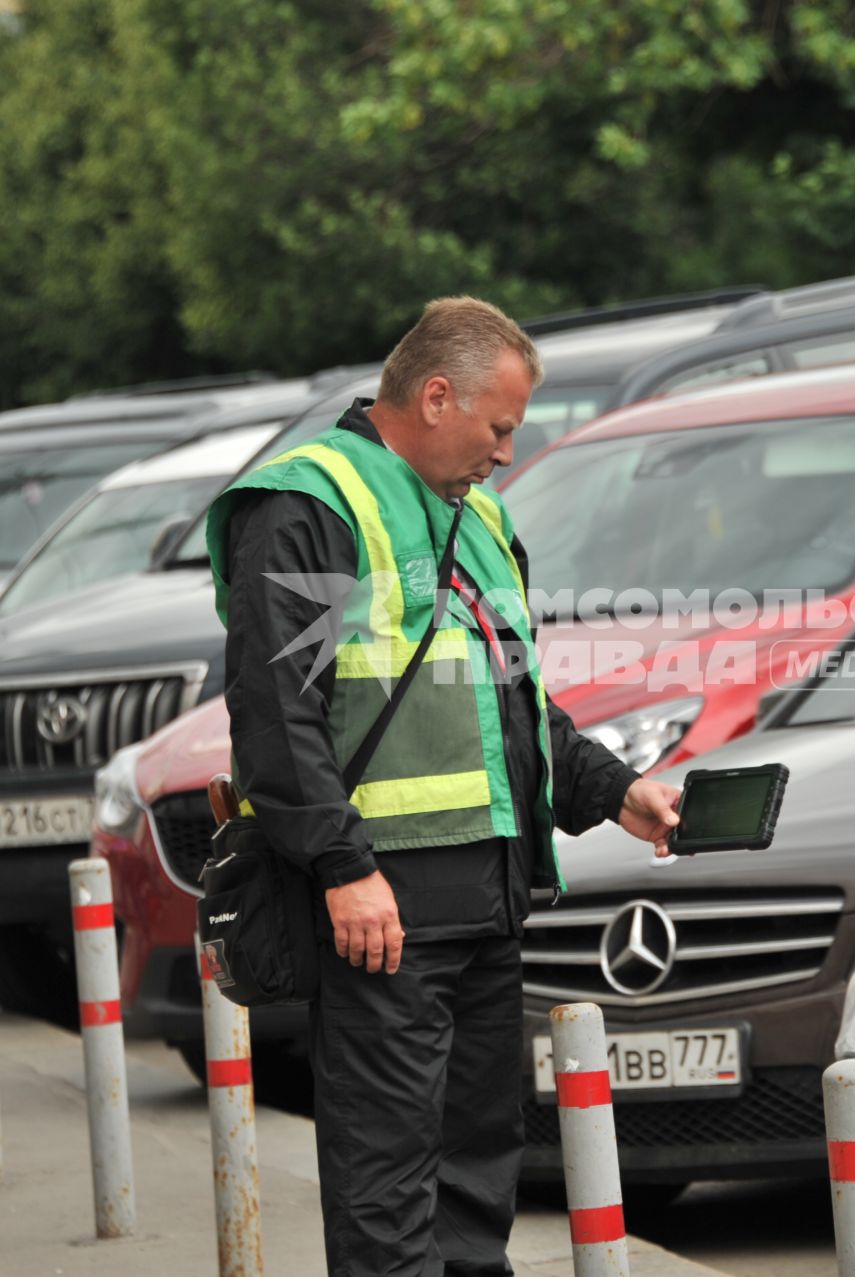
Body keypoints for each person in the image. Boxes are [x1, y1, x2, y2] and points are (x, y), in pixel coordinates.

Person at [206, 297, 683, 1276]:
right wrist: (343, 867)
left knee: (475, 1178)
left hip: (485, 902)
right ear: (435, 396)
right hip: (382, 911)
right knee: (389, 1186)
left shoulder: (477, 514)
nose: (506, 453)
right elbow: (276, 712)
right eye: (499, 426)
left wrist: (610, 789)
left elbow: (516, 705)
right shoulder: (309, 503)